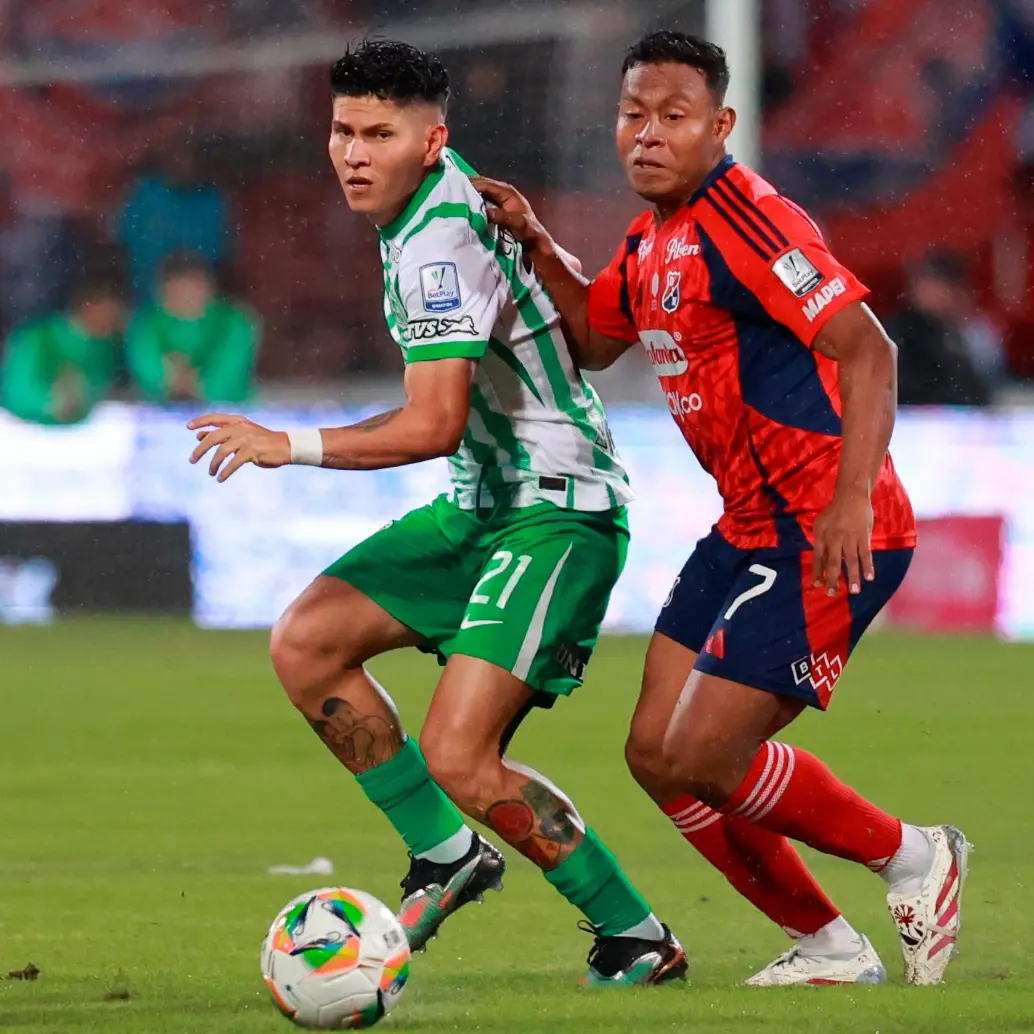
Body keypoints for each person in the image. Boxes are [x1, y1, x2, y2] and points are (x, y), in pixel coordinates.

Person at [186, 39, 686, 987]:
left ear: (433, 139)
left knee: (463, 754)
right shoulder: (438, 197)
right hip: (481, 506)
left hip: (556, 512)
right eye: (342, 130)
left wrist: (284, 443)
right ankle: (450, 856)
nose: (354, 153)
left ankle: (637, 934)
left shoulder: (435, 240)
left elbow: (436, 421)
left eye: (380, 133)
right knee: (306, 644)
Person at [475, 30, 968, 988]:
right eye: (633, 115)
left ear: (721, 125)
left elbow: (871, 352)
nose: (647, 135)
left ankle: (913, 855)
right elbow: (595, 336)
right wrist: (538, 241)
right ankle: (830, 947)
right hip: (748, 524)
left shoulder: (752, 220)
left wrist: (852, 501)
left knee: (703, 750)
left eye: (673, 117)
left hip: (827, 528)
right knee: (656, 756)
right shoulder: (653, 235)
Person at [127, 252, 259, 404]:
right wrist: (173, 382)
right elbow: (150, 374)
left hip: (231, 410)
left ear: (208, 288)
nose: (185, 298)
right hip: (159, 414)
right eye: (177, 292)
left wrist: (195, 384)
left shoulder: (234, 320)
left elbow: (229, 373)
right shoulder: (145, 323)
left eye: (192, 289)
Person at [0, 275, 125, 425]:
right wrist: (53, 400)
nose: (116, 319)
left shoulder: (108, 348)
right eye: (112, 310)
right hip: (25, 435)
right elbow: (15, 394)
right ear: (89, 305)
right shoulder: (34, 338)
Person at [889, 252, 992, 406]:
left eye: (933, 285)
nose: (924, 292)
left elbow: (986, 386)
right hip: (915, 417)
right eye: (921, 284)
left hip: (965, 416)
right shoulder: (901, 332)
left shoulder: (976, 331)